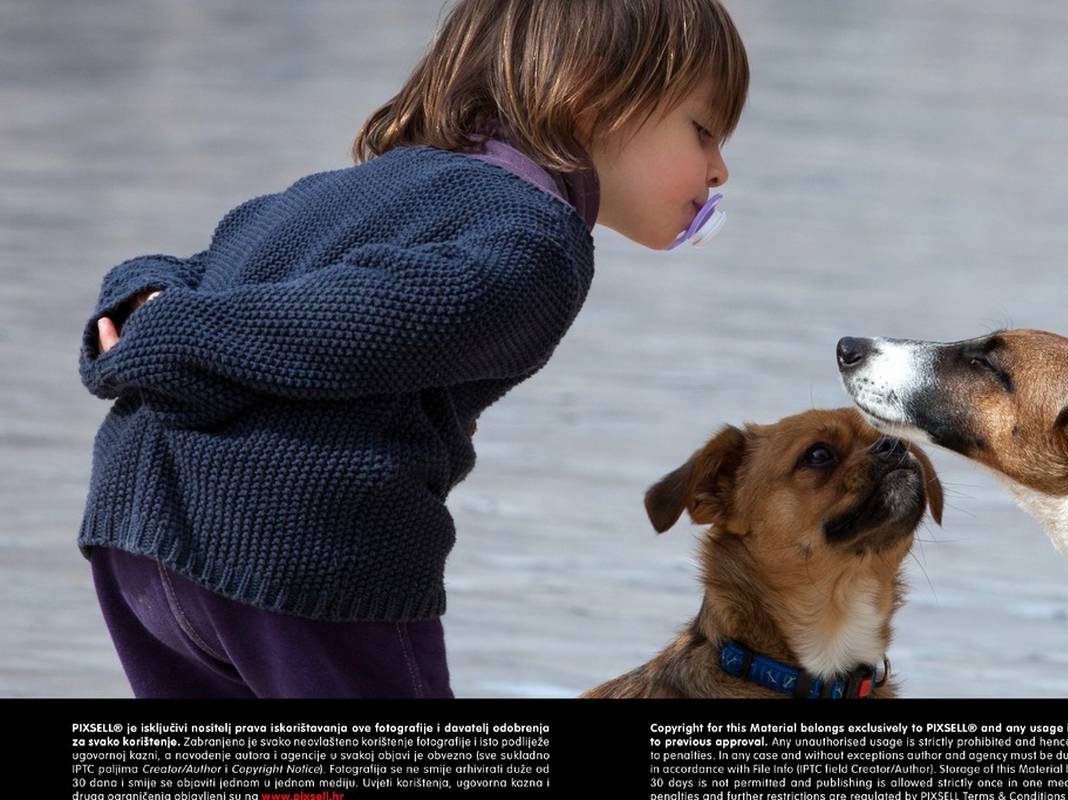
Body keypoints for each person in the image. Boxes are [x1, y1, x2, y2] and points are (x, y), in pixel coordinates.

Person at [77, 0, 749, 698]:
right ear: (593, 99)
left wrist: (137, 307)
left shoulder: (353, 188)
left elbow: (199, 264)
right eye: (703, 131)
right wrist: (175, 336)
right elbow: (353, 322)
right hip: (297, 546)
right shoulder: (539, 244)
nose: (719, 169)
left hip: (134, 517)